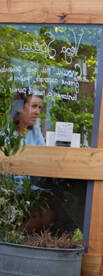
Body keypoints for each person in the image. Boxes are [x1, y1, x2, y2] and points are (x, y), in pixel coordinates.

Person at [11, 90, 52, 233]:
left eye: (39, 108)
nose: (37, 112)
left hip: (29, 190)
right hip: (11, 189)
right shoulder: (7, 132)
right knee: (45, 213)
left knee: (52, 207)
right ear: (19, 107)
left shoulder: (34, 131)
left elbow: (43, 158)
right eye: (33, 106)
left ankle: (17, 238)